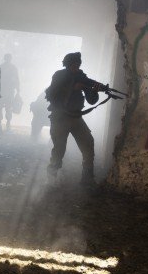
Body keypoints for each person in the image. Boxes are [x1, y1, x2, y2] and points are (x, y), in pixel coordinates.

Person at [45, 52, 107, 186]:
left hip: (75, 117)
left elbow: (91, 99)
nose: (76, 66)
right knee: (59, 149)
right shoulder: (59, 75)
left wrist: (96, 90)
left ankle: (87, 178)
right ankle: (51, 177)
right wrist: (72, 88)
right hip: (60, 117)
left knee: (88, 143)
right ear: (67, 64)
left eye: (78, 64)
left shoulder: (81, 77)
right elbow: (51, 94)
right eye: (74, 64)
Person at [0, 53, 20, 132]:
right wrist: (18, 90)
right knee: (7, 107)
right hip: (8, 91)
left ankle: (1, 122)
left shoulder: (0, 67)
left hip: (2, 91)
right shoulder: (13, 68)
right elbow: (17, 80)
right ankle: (7, 123)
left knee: (1, 107)